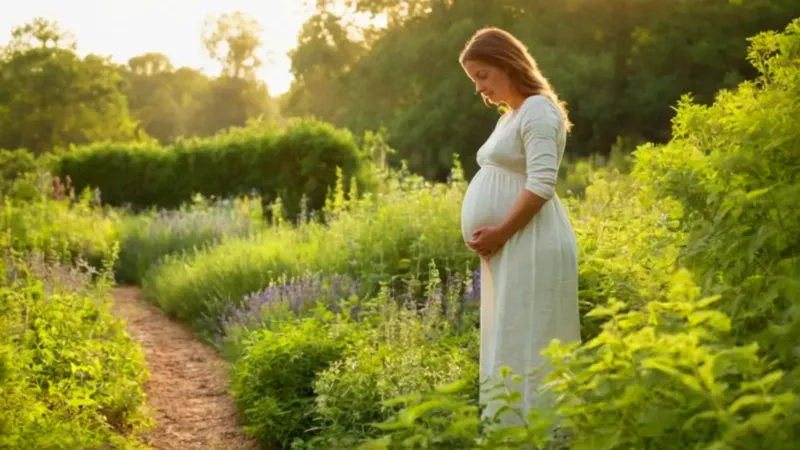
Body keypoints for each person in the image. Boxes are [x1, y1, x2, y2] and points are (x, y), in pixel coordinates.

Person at [458, 27, 581, 427]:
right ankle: (511, 432)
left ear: (507, 64)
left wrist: (500, 232)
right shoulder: (511, 116)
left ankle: (543, 434)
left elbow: (542, 184)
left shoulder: (538, 110)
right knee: (511, 336)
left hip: (532, 241)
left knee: (534, 338)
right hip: (512, 244)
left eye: (482, 75)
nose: (479, 88)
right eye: (473, 79)